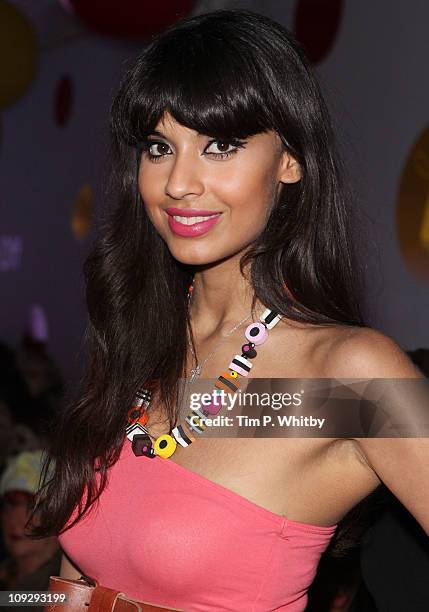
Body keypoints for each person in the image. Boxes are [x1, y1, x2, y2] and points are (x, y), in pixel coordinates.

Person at [27, 9, 428, 612]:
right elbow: (75, 588)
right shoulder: (140, 343)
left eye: (221, 145)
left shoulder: (346, 381)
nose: (180, 182)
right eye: (159, 147)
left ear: (290, 160)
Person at [0, 451, 62, 611]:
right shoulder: (7, 574)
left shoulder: (65, 583)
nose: (16, 519)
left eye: (33, 508)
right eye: (10, 506)